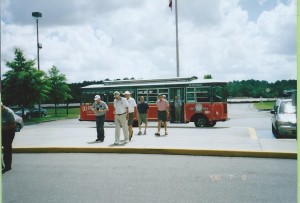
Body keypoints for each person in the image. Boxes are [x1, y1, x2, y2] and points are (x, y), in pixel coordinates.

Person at [2, 103, 16, 174]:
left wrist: (2, 128)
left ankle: (8, 166)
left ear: (2, 106)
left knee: (7, 148)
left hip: (9, 132)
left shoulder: (9, 112)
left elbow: (13, 125)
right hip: (1, 132)